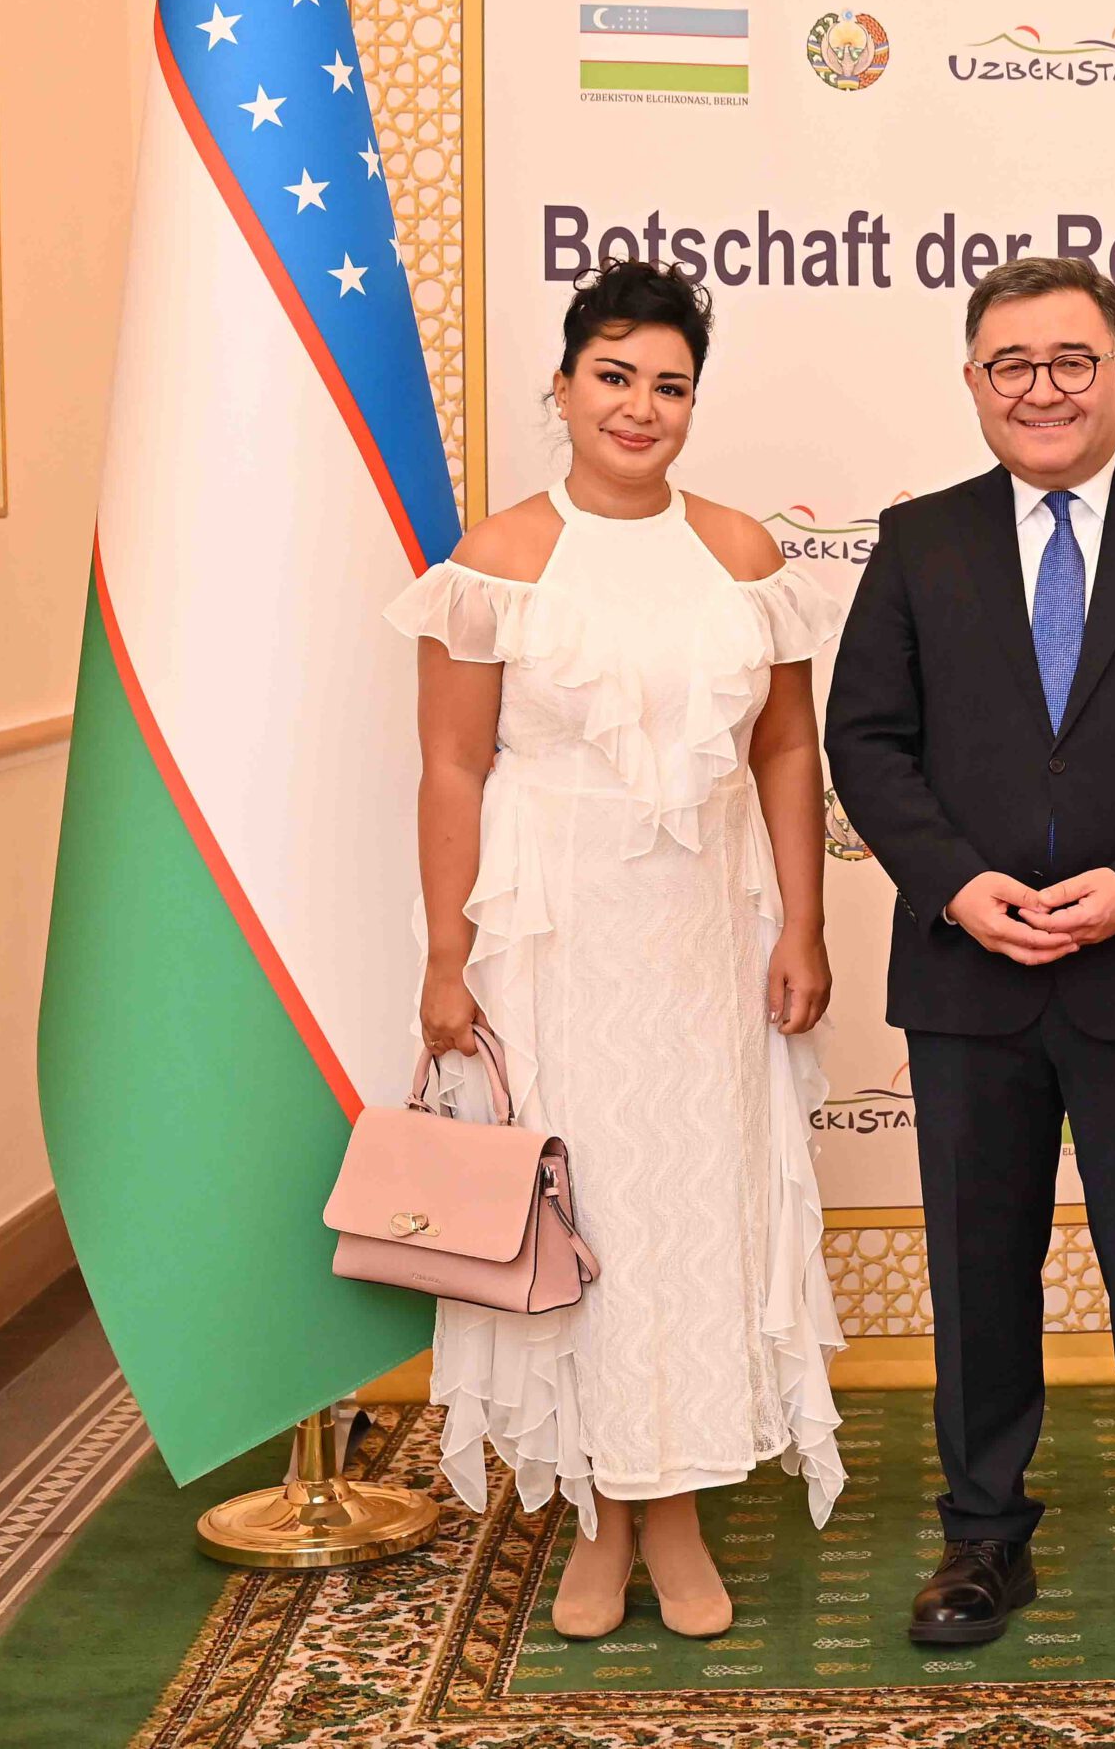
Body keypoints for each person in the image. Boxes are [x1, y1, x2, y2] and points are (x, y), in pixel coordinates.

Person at [824, 257, 1115, 1646]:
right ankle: (981, 1537)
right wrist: (956, 884)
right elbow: (867, 740)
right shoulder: (918, 540)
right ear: (975, 383)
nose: (1044, 388)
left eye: (1072, 359)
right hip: (968, 971)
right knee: (979, 1268)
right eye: (1013, 363)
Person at [386, 260, 847, 1642]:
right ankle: (596, 1516)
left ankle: (680, 1508)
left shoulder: (742, 554)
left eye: (670, 385)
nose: (641, 407)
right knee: (579, 1214)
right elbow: (452, 766)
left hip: (707, 938)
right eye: (615, 376)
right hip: (553, 938)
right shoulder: (498, 559)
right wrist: (446, 957)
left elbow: (786, 748)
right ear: (565, 385)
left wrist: (805, 923)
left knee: (696, 1207)